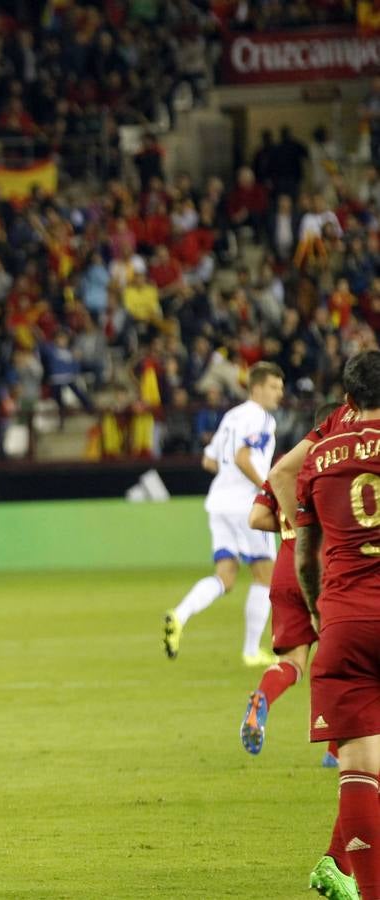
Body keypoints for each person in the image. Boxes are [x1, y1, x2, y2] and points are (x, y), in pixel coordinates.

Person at [294, 350, 380, 900]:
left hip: (345, 620)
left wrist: (316, 612)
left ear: (346, 402)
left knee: (359, 768)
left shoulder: (320, 455)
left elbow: (304, 556)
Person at [241, 402, 344, 760]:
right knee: (344, 660)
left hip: (286, 565)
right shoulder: (339, 463)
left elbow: (255, 518)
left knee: (293, 662)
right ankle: (334, 748)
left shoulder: (284, 466)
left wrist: (291, 527)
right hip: (326, 565)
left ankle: (262, 698)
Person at [164, 362, 285, 665]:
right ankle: (250, 651)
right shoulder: (262, 419)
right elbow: (243, 457)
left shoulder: (231, 416)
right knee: (265, 575)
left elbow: (209, 461)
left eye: (281, 388)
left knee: (225, 576)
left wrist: (231, 473)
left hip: (218, 502)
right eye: (274, 387)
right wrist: (267, 488)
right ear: (256, 387)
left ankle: (179, 614)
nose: (279, 394)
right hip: (247, 507)